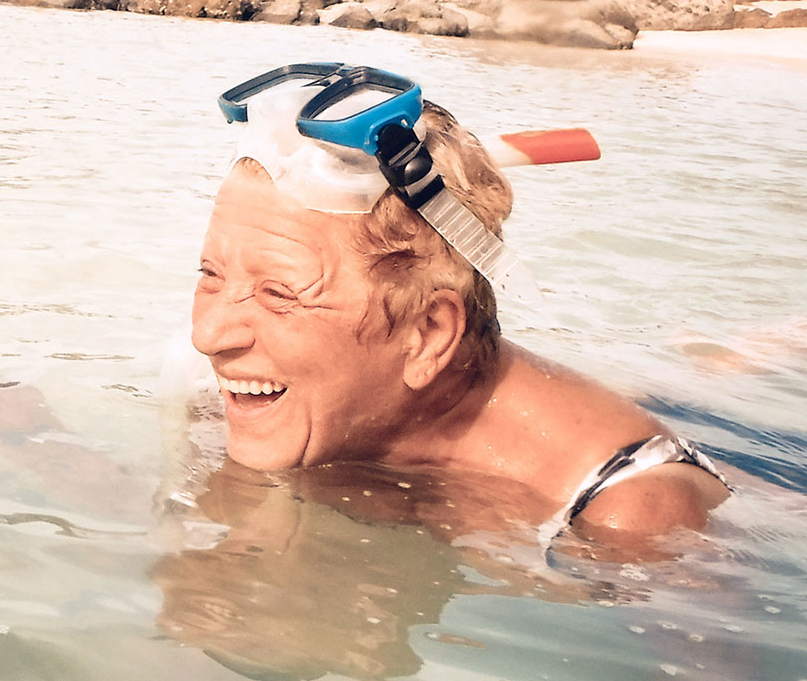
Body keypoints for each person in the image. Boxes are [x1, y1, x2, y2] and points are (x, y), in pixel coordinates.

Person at [186, 64, 728, 560]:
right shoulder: (292, 407)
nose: (209, 336)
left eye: (279, 294)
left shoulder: (633, 520)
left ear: (427, 333)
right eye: (211, 275)